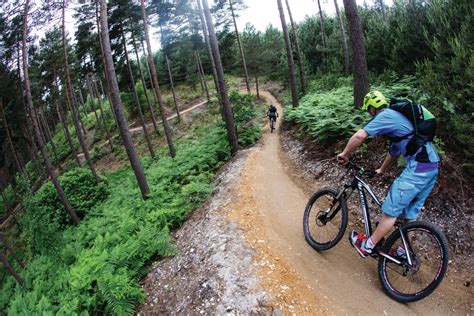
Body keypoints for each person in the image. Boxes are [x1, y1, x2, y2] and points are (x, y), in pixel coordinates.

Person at [336, 91, 439, 258]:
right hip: (431, 166)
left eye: (368, 110)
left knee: (391, 210)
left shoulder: (385, 116)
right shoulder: (398, 121)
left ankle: (367, 246)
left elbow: (360, 135)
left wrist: (345, 154)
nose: (369, 113)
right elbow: (394, 153)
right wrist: (381, 170)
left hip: (419, 166)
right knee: (408, 216)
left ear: (372, 108)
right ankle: (405, 252)